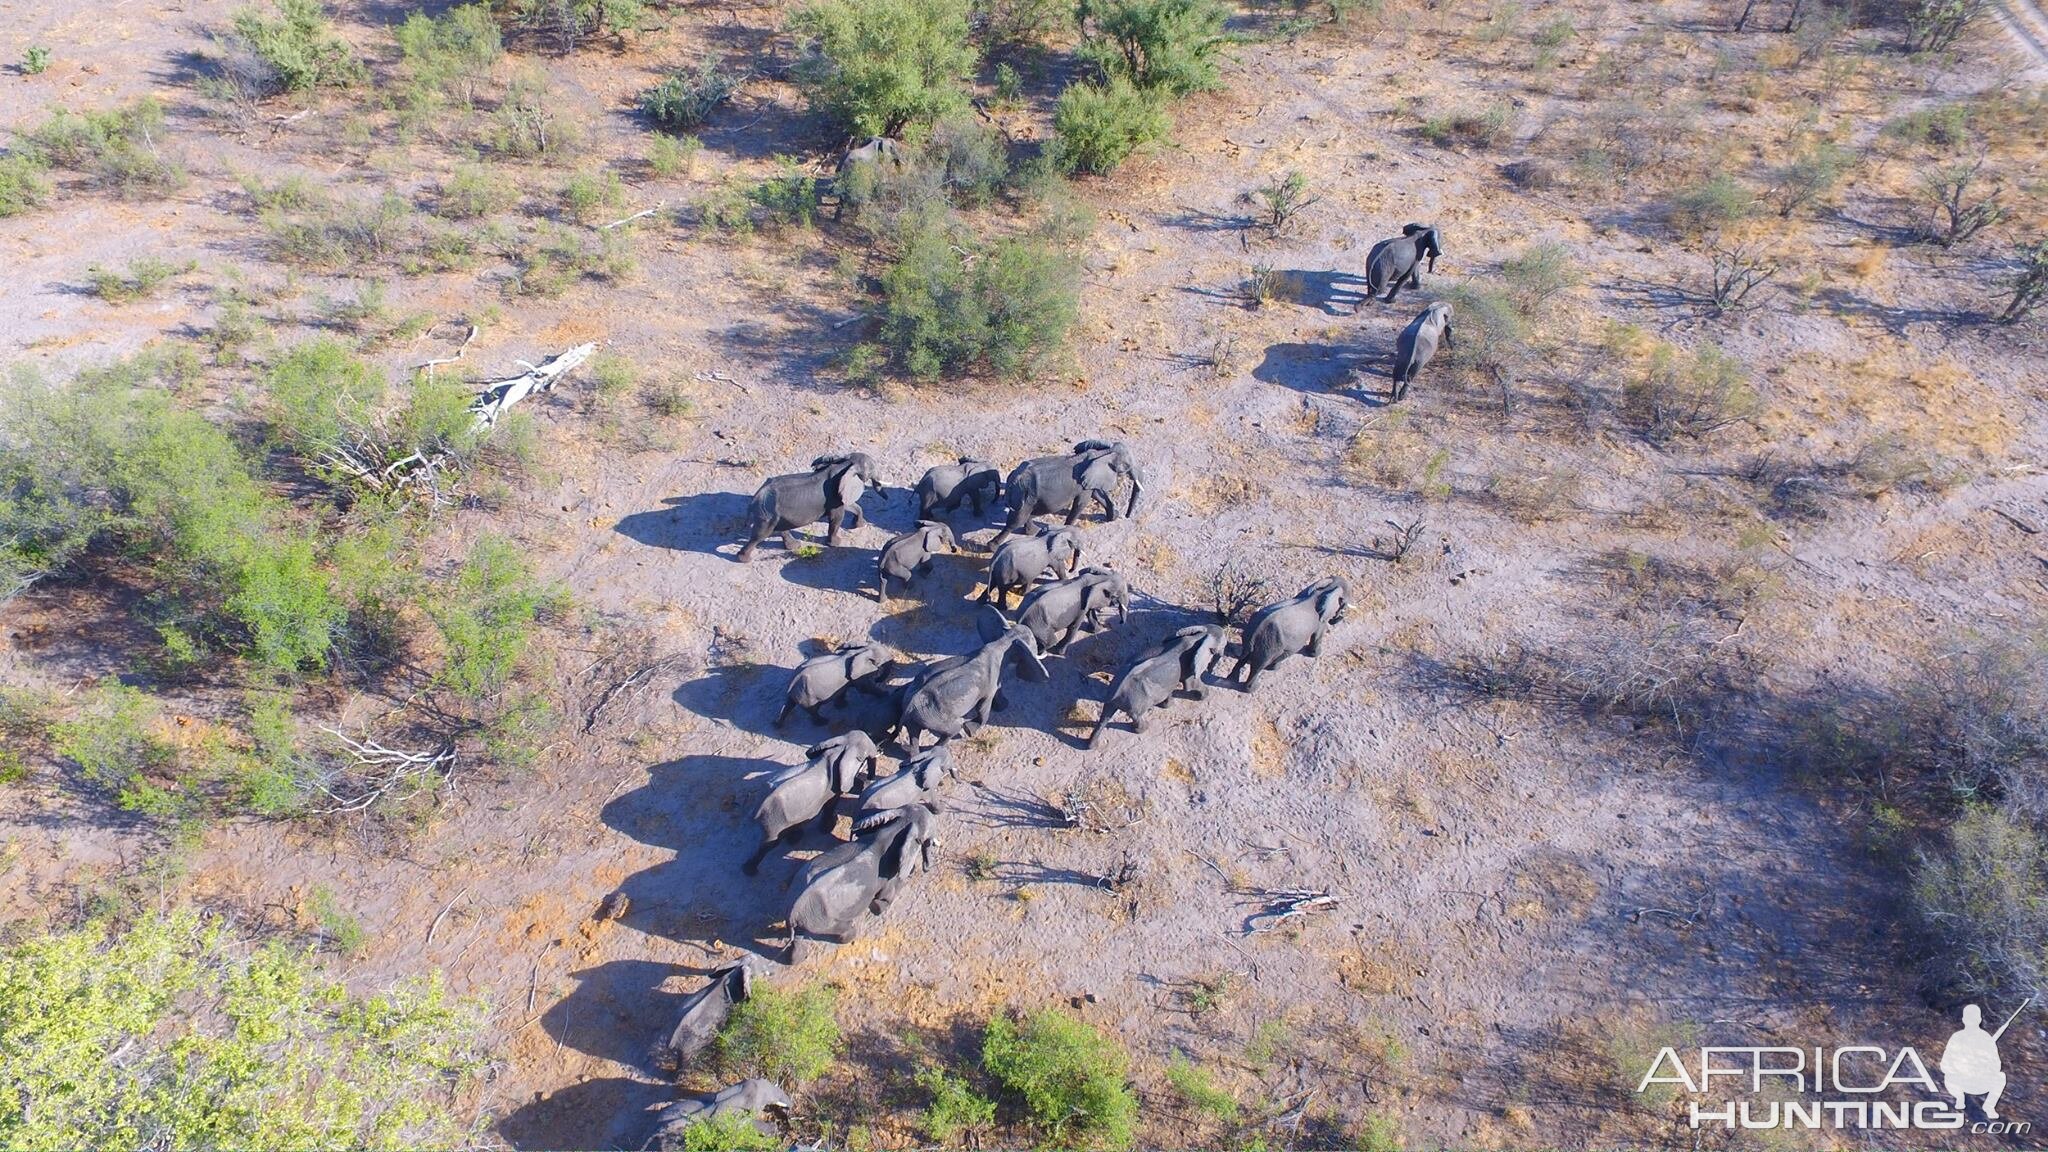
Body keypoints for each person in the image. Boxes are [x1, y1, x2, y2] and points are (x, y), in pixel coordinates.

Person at [1939, 1004, 2006, 1119]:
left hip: (1980, 1082)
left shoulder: (1986, 1038)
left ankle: (1989, 1106)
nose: (1971, 1021)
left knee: (2001, 1077)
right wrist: (1960, 1068)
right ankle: (1960, 1098)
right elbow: (1944, 1064)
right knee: (1948, 1076)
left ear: (1979, 1020)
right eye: (1969, 1018)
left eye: (1973, 1018)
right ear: (1964, 1020)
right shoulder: (1957, 1037)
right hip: (1960, 1082)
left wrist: (1983, 1066)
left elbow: (1996, 1065)